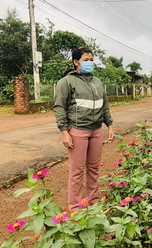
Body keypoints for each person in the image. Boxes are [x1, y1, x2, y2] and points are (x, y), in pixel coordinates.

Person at [54, 46, 114, 213]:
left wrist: (109, 125)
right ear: (76, 62)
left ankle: (93, 200)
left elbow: (105, 106)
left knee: (94, 168)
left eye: (91, 60)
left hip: (96, 131)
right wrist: (64, 132)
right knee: (77, 170)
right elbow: (59, 107)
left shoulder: (97, 82)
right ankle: (75, 207)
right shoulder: (66, 82)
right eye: (86, 60)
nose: (90, 63)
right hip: (78, 131)